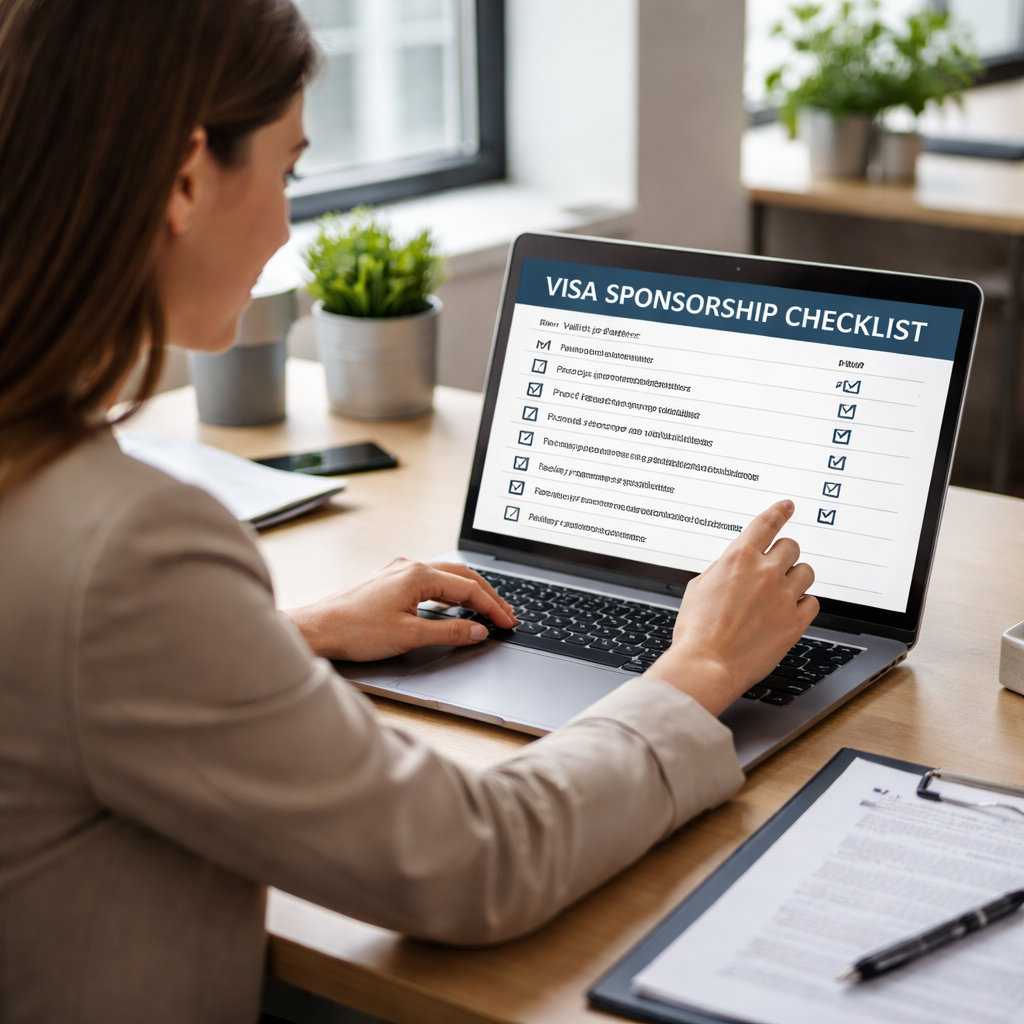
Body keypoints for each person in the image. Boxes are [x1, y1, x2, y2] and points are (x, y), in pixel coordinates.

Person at [0, 1, 819, 1021]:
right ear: (184, 178)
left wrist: (275, 638)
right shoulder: (129, 546)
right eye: (289, 171)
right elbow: (475, 860)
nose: (286, 224)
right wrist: (699, 666)